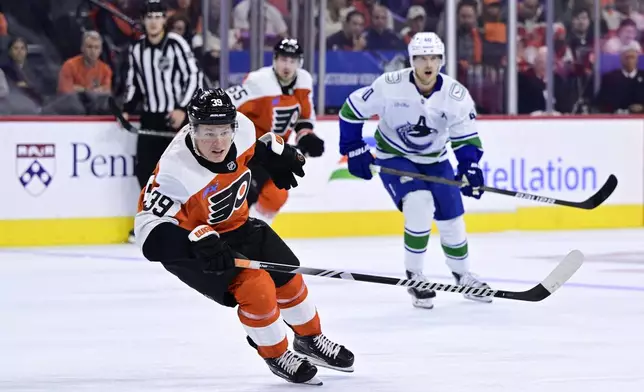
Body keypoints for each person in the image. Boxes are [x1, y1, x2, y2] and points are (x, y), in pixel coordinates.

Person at [134, 88, 353, 385]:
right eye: (208, 132)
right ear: (192, 128)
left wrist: (272, 157)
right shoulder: (175, 171)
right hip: (200, 246)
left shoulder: (244, 128)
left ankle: (310, 339)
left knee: (287, 272)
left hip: (238, 225)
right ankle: (275, 353)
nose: (218, 142)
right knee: (256, 286)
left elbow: (255, 148)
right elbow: (147, 233)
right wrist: (191, 244)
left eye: (224, 131)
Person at [338, 32, 492, 309]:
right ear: (412, 60)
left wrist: (470, 166)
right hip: (394, 156)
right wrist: (354, 148)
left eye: (433, 57)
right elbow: (351, 110)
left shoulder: (455, 95)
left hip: (435, 158)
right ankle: (415, 276)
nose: (428, 63)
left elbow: (466, 138)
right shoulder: (390, 85)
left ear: (442, 61)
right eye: (421, 57)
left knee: (452, 216)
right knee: (419, 203)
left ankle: (463, 275)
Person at [123, 0, 202, 243]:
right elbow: (134, 83)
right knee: (145, 172)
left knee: (181, 171)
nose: (154, 21)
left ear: (163, 20)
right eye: (149, 17)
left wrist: (182, 109)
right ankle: (150, 223)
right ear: (144, 21)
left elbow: (193, 76)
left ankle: (188, 221)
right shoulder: (136, 50)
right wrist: (126, 109)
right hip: (151, 117)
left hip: (176, 117)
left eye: (158, 16)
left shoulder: (176, 44)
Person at [225, 38, 324, 224]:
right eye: (283, 59)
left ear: (299, 63)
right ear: (275, 59)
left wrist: (306, 136)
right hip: (247, 150)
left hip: (275, 151)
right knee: (242, 197)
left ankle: (254, 235)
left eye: (292, 61)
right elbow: (227, 103)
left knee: (276, 195)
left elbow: (303, 118)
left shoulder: (304, 81)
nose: (287, 65)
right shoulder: (258, 82)